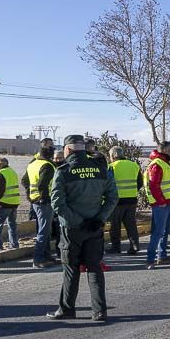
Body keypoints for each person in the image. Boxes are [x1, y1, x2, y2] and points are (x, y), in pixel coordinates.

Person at [48, 134, 118, 322]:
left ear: (68, 150)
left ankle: (67, 309)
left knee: (71, 269)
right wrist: (99, 218)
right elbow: (112, 198)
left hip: (72, 230)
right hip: (95, 227)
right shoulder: (101, 169)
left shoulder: (63, 171)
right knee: (94, 268)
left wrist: (76, 221)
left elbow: (57, 202)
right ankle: (100, 311)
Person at [144, 141, 170, 268]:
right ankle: (150, 259)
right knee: (158, 232)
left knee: (164, 232)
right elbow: (154, 185)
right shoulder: (157, 164)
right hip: (162, 205)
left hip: (168, 203)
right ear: (164, 149)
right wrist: (161, 202)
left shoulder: (164, 162)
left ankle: (162, 256)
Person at [22, 140, 57, 267]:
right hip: (44, 203)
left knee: (45, 230)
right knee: (44, 231)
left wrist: (30, 195)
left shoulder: (33, 164)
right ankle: (38, 259)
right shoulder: (47, 166)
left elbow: (25, 181)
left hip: (36, 201)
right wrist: (45, 198)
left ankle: (47, 256)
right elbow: (43, 184)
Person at [107, 146, 143, 255]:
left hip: (117, 201)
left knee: (115, 226)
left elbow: (107, 185)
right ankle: (134, 245)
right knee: (131, 225)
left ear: (113, 156)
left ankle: (116, 247)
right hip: (131, 200)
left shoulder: (111, 167)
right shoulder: (134, 165)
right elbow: (140, 182)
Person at [0, 156, 21, 250]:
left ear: (1, 165)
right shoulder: (12, 172)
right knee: (12, 224)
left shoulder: (1, 174)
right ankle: (14, 244)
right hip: (14, 202)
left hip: (3, 203)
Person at [51, 147, 65, 258]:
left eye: (60, 158)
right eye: (55, 158)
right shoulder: (51, 168)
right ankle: (58, 251)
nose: (57, 160)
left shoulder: (65, 169)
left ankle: (61, 252)